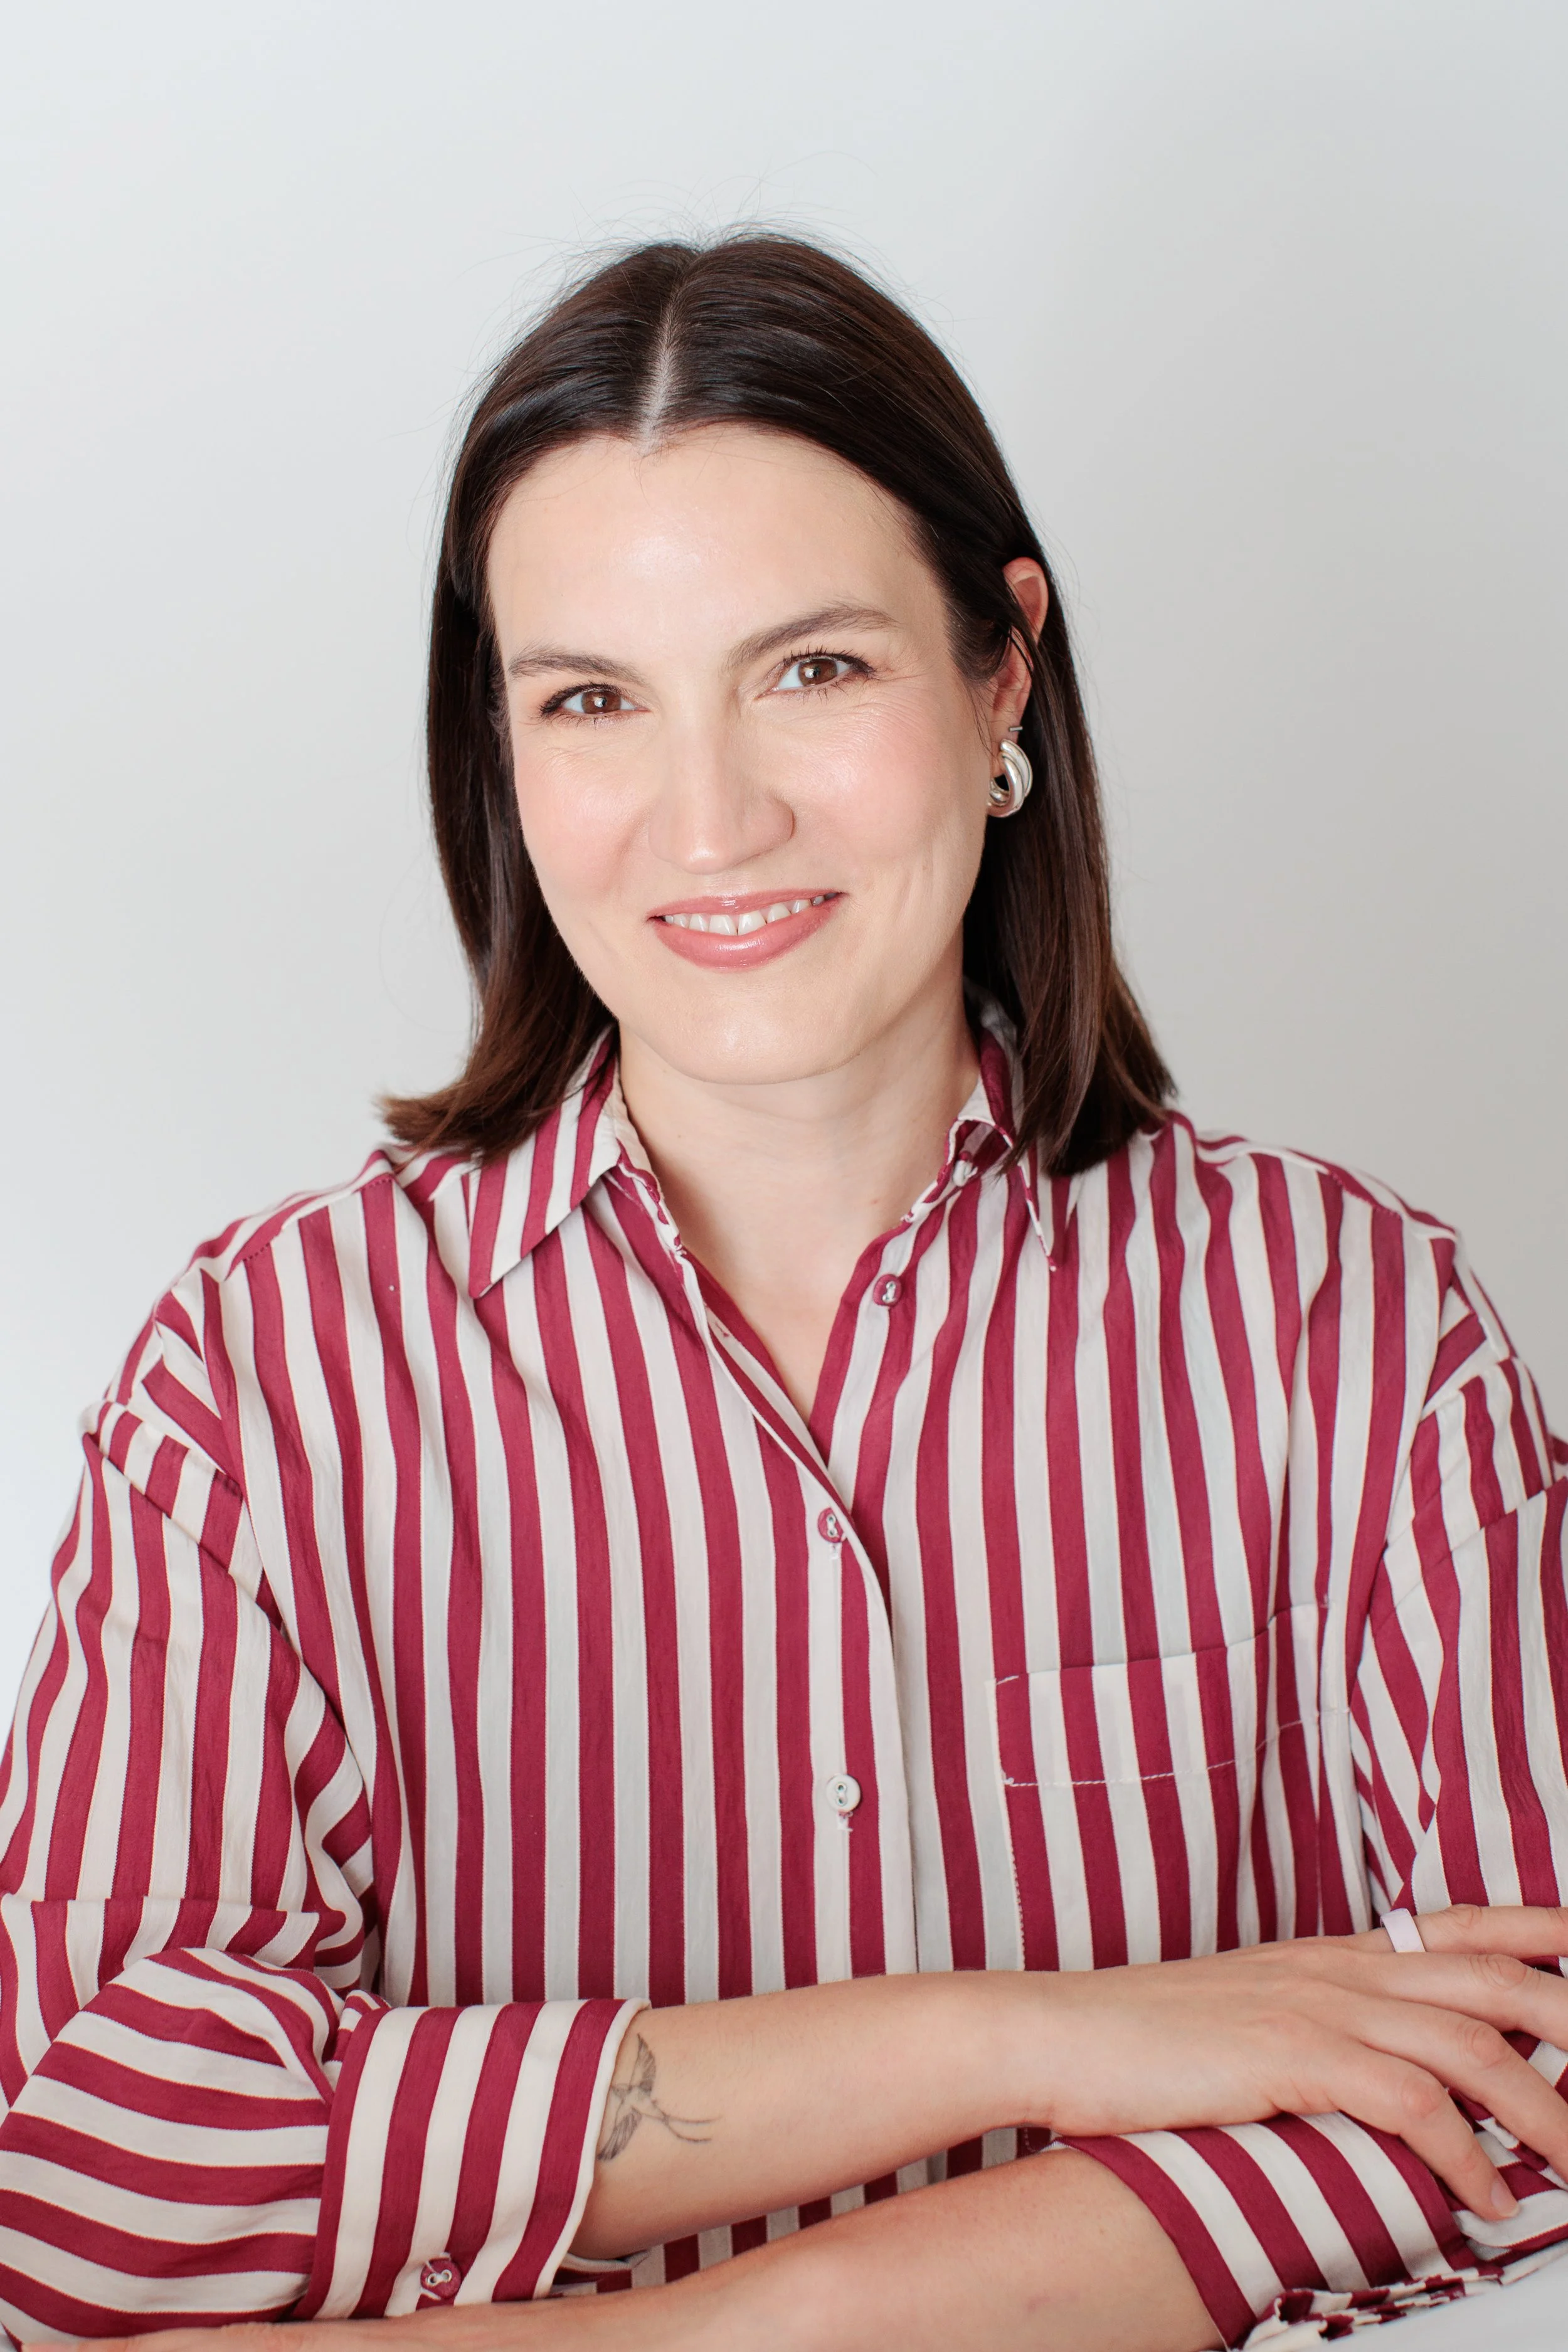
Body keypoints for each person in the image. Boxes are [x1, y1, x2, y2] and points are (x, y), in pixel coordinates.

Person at [1, 233, 1565, 2352]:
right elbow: (76, 2161)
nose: (711, 819)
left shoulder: (1344, 1327)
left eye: (810, 669)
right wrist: (1028, 2038)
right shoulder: (265, 1381)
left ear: (1000, 669)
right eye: (592, 700)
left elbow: (1532, 2076)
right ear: (503, 747)